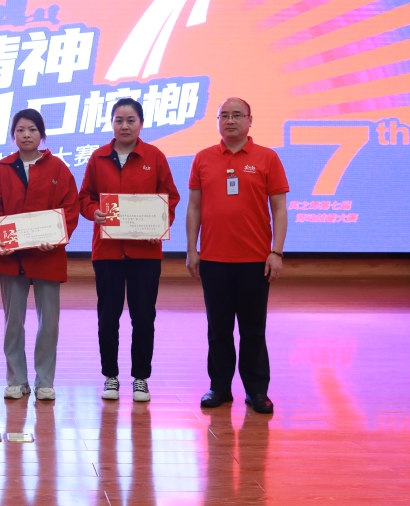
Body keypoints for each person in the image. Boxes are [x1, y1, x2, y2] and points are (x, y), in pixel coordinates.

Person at [186, 97, 289, 415]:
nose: (230, 121)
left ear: (249, 120)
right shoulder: (203, 158)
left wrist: (276, 251)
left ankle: (257, 391)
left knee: (253, 330)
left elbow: (279, 208)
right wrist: (192, 249)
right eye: (224, 116)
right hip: (214, 259)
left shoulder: (267, 158)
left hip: (255, 260)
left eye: (236, 115)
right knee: (218, 329)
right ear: (217, 121)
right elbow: (194, 207)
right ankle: (219, 387)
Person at [78, 98, 180, 402]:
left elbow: (170, 197)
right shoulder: (98, 157)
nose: (124, 126)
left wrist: (159, 224)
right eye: (119, 120)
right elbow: (85, 197)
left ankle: (140, 378)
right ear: (111, 123)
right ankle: (110, 376)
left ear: (141, 124)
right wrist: (94, 211)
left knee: (143, 317)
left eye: (131, 120)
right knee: (108, 317)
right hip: (107, 252)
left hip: (145, 253)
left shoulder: (155, 156)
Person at [0, 109, 79, 402]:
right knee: (13, 321)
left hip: (48, 256)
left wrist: (57, 237)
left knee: (49, 323)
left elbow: (70, 209)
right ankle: (16, 379)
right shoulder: (1, 168)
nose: (26, 135)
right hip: (12, 257)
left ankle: (45, 380)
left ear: (42, 134)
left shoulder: (58, 168)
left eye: (32, 129)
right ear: (13, 135)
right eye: (20, 130)